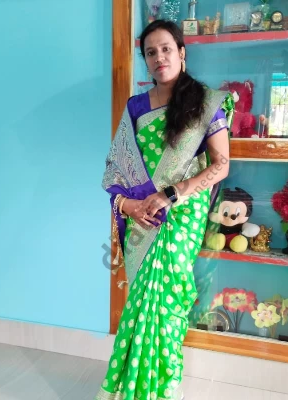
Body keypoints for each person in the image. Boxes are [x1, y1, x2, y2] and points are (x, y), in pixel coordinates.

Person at [96, 19, 233, 400]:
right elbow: (115, 168)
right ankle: (129, 389)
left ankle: (162, 390)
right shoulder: (136, 106)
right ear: (145, 59)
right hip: (141, 218)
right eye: (151, 52)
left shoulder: (205, 102)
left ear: (182, 53)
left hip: (180, 217)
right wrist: (128, 205)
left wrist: (173, 194)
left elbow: (221, 165)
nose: (159, 57)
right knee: (140, 303)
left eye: (166, 49)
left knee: (166, 304)